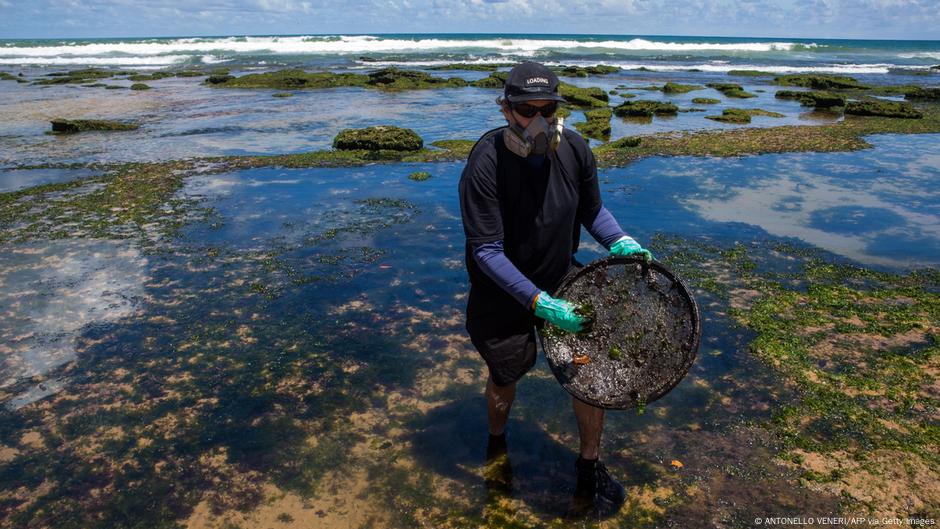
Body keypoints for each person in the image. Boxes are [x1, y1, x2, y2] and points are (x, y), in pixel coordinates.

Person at [458, 61, 654, 510]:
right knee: (506, 374)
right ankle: (497, 442)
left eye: (548, 109)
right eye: (528, 110)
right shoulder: (484, 162)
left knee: (589, 369)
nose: (540, 121)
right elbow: (487, 251)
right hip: (500, 289)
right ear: (505, 109)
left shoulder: (576, 150)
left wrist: (620, 240)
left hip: (561, 275)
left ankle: (589, 462)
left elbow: (593, 211)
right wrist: (537, 302)